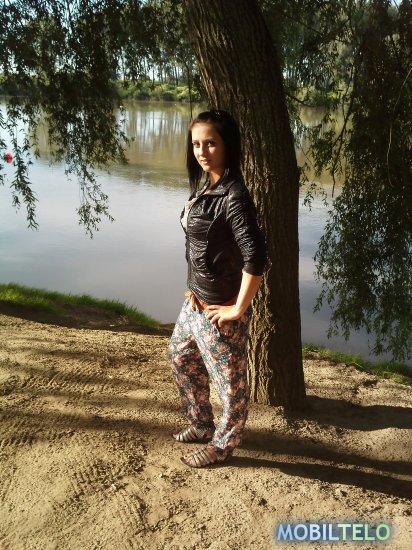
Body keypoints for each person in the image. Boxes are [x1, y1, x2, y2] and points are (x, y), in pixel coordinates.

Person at [167, 110, 267, 468]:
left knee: (230, 386)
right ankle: (201, 424)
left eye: (210, 143)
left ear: (227, 145)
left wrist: (237, 308)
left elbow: (256, 255)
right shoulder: (205, 186)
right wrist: (193, 285)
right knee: (180, 357)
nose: (202, 151)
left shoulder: (233, 195)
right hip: (194, 300)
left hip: (219, 309)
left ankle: (223, 445)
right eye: (196, 144)